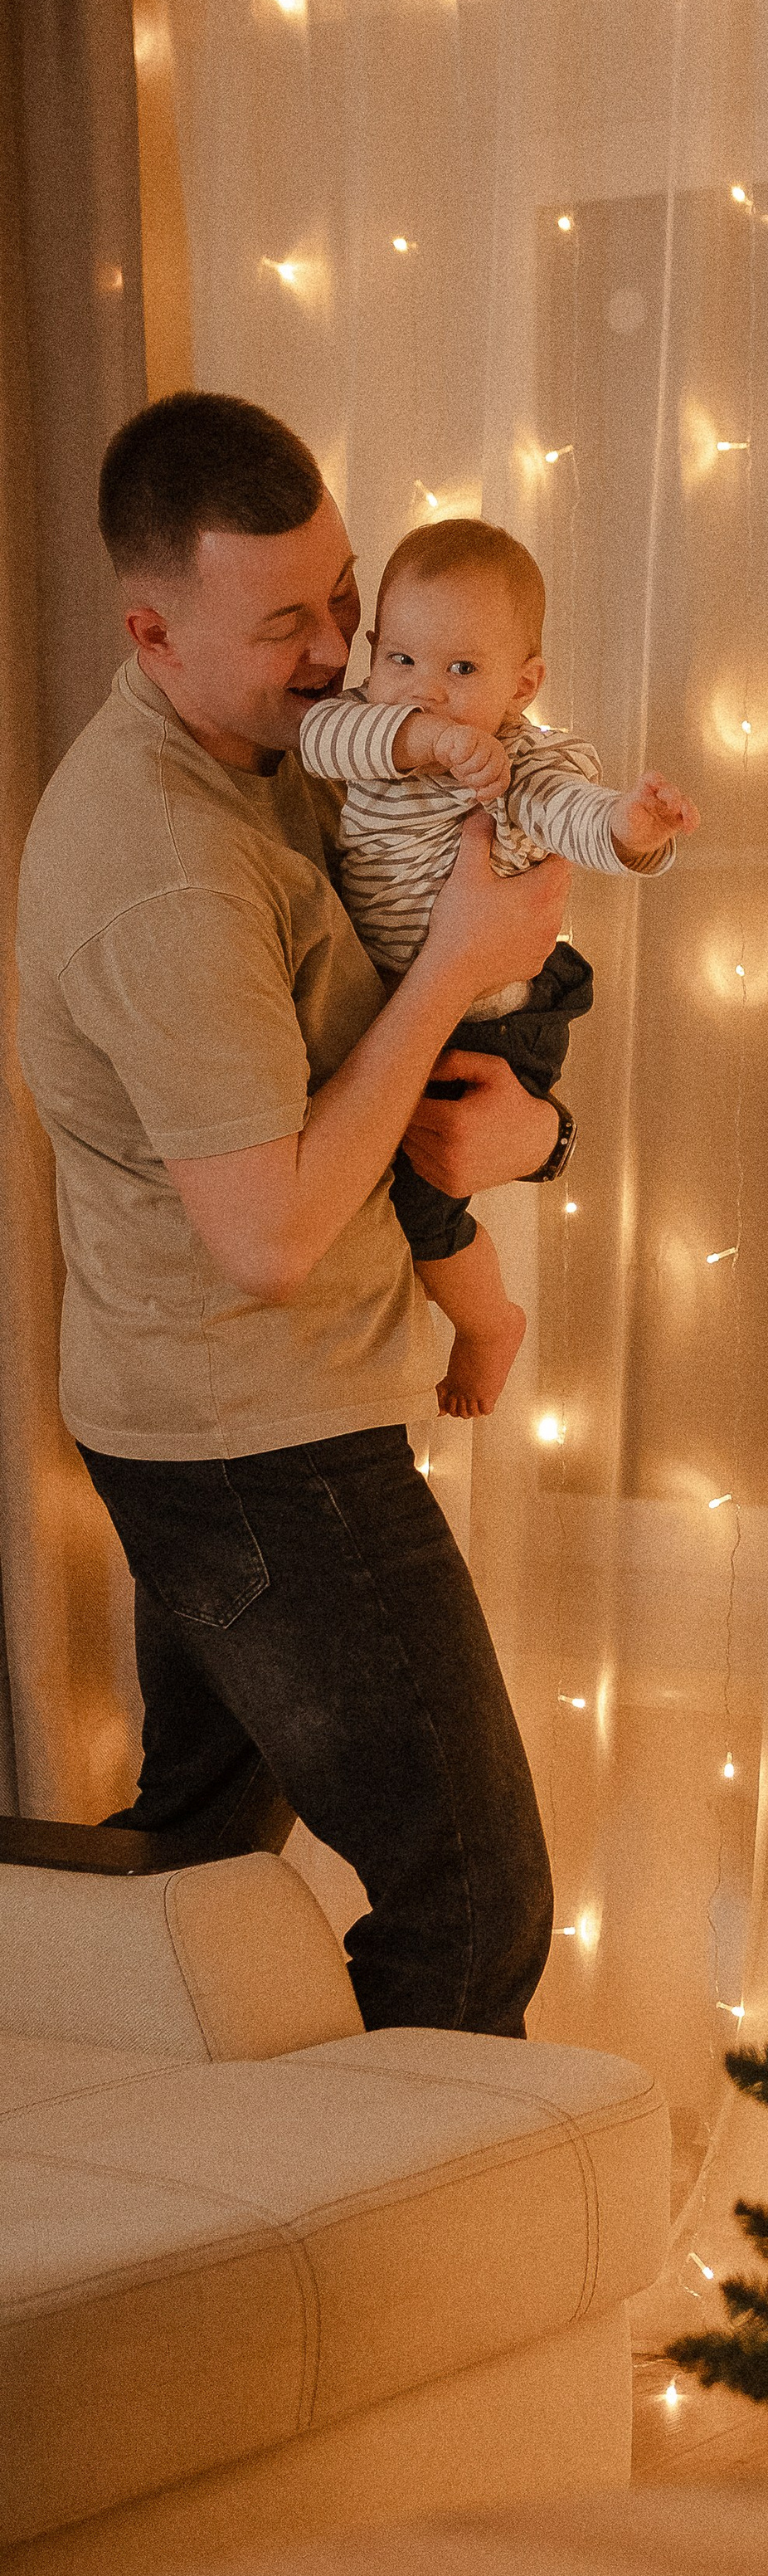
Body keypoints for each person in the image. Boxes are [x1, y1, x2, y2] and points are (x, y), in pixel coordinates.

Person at [13, 391, 575, 2034]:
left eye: (343, 597)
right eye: (289, 623)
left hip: (213, 1422)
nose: (343, 653)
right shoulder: (167, 867)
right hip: (253, 1444)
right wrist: (469, 972)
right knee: (473, 1903)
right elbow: (264, 1240)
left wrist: (532, 1128)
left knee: (185, 1875)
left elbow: (408, 1029)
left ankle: (141, 2199)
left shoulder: (268, 749)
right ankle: (370, 2264)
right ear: (148, 630)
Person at [297, 516, 698, 1416]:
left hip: (493, 1020)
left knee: (422, 1205)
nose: (426, 693)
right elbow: (319, 739)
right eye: (400, 660)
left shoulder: (523, 763)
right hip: (400, 1008)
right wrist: (422, 743)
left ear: (524, 685)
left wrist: (631, 828)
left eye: (462, 671)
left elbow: (570, 816)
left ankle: (488, 1327)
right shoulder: (369, 731)